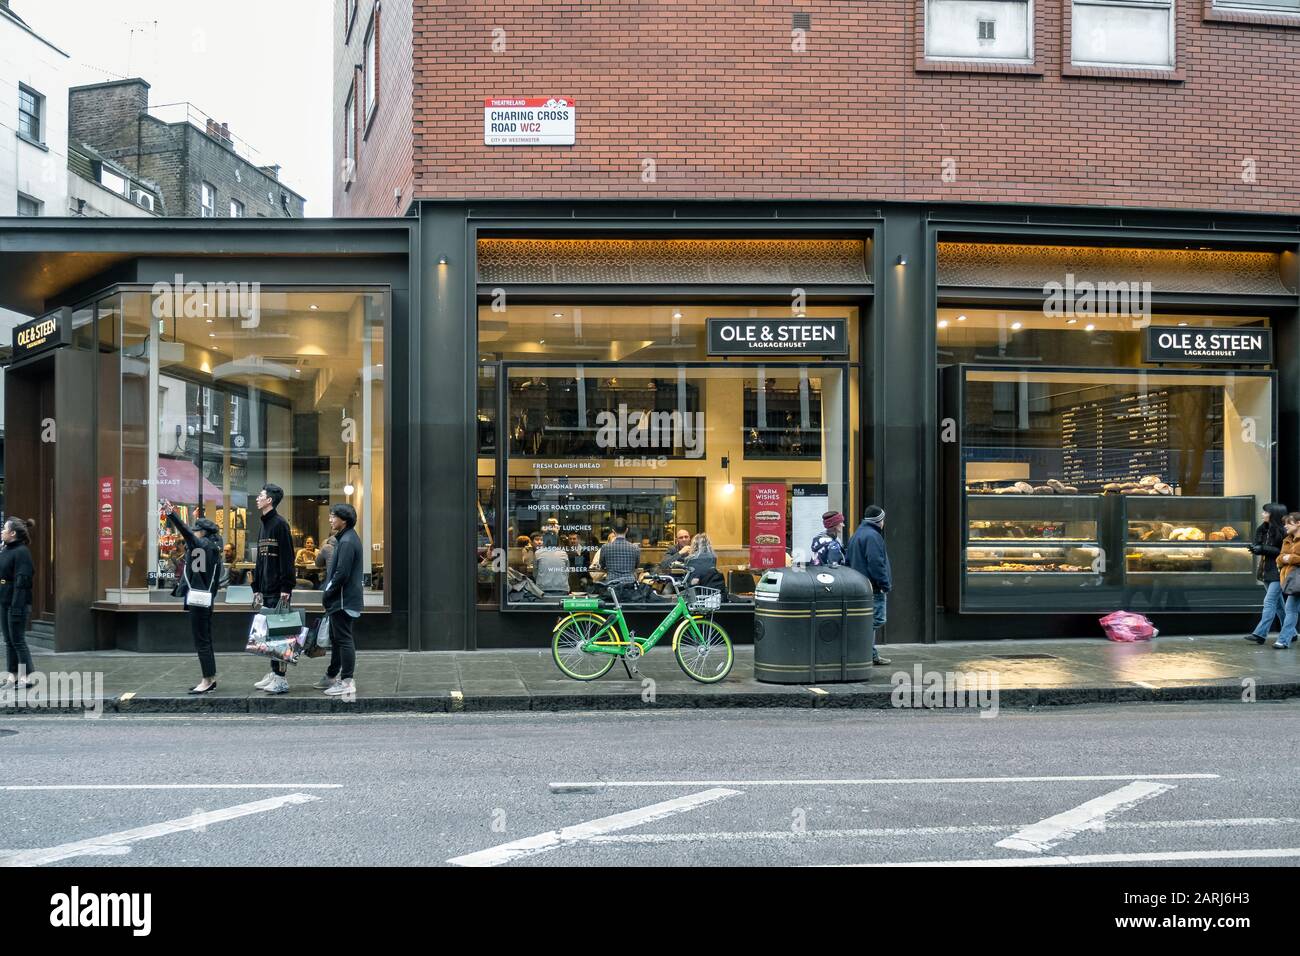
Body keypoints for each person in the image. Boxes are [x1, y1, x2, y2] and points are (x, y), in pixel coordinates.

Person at [162, 500, 224, 694]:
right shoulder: (211, 547)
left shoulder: (203, 545)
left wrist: (172, 515)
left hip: (199, 600)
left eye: (197, 530)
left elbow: (186, 533)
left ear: (203, 533)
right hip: (205, 598)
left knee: (201, 641)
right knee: (205, 639)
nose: (194, 532)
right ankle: (210, 678)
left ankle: (207, 680)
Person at [251, 483, 296, 694]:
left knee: (280, 637)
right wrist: (257, 587)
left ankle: (281, 678)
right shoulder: (264, 524)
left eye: (261, 495)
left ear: (269, 500)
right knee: (268, 637)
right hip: (267, 589)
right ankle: (273, 672)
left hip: (279, 591)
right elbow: (260, 561)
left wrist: (286, 588)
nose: (258, 498)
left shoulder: (279, 524)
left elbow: (288, 559)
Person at [315, 503, 363, 697]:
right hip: (342, 598)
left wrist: (328, 592)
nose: (330, 519)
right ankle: (332, 675)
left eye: (333, 516)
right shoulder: (345, 538)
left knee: (343, 639)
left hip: (343, 599)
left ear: (344, 520)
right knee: (337, 639)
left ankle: (347, 681)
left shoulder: (347, 542)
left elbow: (341, 573)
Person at [845, 505, 892, 666]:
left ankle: (870, 654)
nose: (884, 522)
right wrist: (884, 584)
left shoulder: (857, 534)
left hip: (860, 586)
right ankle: (860, 650)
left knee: (868, 620)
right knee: (875, 620)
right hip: (873, 586)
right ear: (879, 520)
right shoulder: (873, 536)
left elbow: (849, 560)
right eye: (883, 519)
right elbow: (876, 563)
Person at [0, 518, 36, 689]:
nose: (1, 531)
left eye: (4, 528)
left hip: (17, 604)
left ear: (13, 533)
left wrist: (16, 607)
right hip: (4, 601)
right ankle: (12, 676)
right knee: (8, 640)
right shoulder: (5, 549)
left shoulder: (22, 552)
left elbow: (22, 582)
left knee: (18, 640)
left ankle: (26, 677)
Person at [1246, 503, 1288, 645]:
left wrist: (1262, 548)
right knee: (1278, 605)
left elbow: (1282, 552)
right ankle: (1291, 632)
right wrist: (1255, 547)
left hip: (1278, 571)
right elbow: (1258, 544)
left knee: (1269, 602)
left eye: (1266, 512)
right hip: (1265, 571)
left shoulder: (1283, 531)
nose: (1263, 514)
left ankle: (1260, 634)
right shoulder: (1263, 529)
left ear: (1273, 514)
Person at [1272, 512, 1300, 649]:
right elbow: (1279, 558)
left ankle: (1283, 640)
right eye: (1284, 524)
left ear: (1298, 523)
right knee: (1290, 609)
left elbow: (1288, 558)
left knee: (1290, 610)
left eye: (1288, 523)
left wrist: (1291, 558)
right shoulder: (1287, 540)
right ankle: (1283, 640)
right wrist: (1285, 558)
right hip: (1293, 581)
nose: (1285, 526)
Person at [598, 521, 641, 599]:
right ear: (626, 530)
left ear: (613, 531)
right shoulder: (635, 548)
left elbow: (602, 565)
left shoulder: (605, 547)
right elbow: (636, 566)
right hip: (629, 585)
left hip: (612, 586)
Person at [534, 530, 571, 595]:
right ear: (557, 542)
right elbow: (567, 572)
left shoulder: (538, 553)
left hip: (543, 588)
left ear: (544, 542)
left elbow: (535, 573)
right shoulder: (563, 554)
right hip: (562, 588)